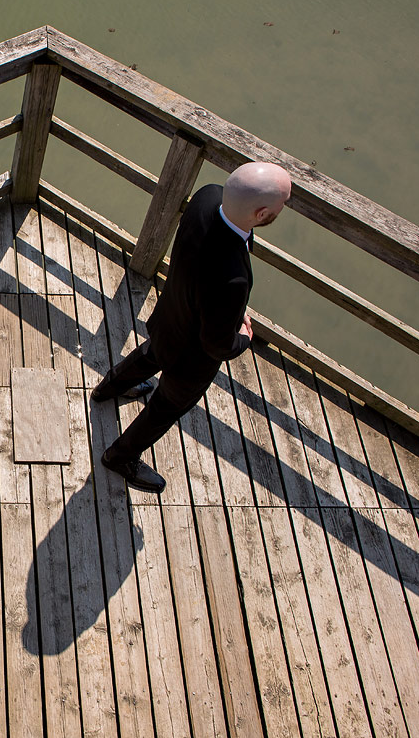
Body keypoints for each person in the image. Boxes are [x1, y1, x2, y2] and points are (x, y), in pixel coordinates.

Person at [91, 162, 292, 493]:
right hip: (191, 360)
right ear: (260, 214)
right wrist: (242, 338)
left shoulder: (207, 196)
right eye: (283, 202)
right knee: (164, 407)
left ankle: (107, 389)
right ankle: (119, 456)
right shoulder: (232, 279)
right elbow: (217, 345)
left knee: (151, 353)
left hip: (172, 313)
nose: (285, 206)